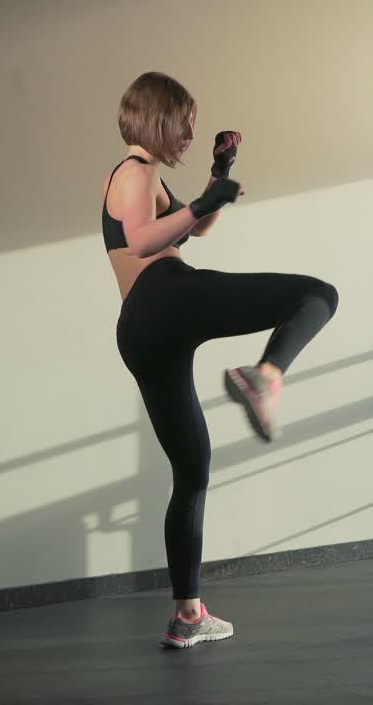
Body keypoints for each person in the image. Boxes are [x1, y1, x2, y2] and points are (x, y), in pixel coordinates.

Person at [101, 72, 338, 648]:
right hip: (167, 299)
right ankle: (266, 375)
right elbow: (141, 241)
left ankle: (188, 613)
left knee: (192, 469)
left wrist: (219, 174)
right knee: (317, 295)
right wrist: (205, 200)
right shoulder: (132, 174)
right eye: (185, 124)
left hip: (143, 328)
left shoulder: (149, 179)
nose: (189, 134)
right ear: (157, 118)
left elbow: (197, 227)